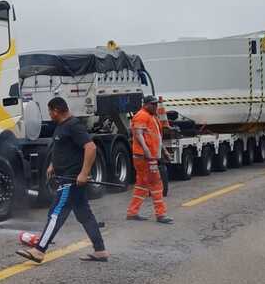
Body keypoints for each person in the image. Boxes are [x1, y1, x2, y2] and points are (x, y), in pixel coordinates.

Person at [17, 97, 108, 263]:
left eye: (50, 111)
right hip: (65, 177)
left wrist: (83, 173)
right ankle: (100, 250)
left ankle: (39, 250)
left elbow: (90, 147)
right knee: (85, 215)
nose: (49, 115)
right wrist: (53, 165)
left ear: (56, 110)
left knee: (55, 214)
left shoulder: (73, 126)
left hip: (71, 181)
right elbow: (63, 149)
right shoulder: (61, 127)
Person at [127, 95, 172, 223]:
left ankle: (132, 212)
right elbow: (138, 134)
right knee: (156, 184)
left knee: (142, 185)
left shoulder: (152, 117)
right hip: (145, 157)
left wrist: (164, 151)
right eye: (153, 104)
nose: (155, 106)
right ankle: (161, 214)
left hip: (148, 156)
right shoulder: (141, 115)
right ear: (146, 104)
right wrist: (146, 150)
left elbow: (157, 137)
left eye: (156, 104)